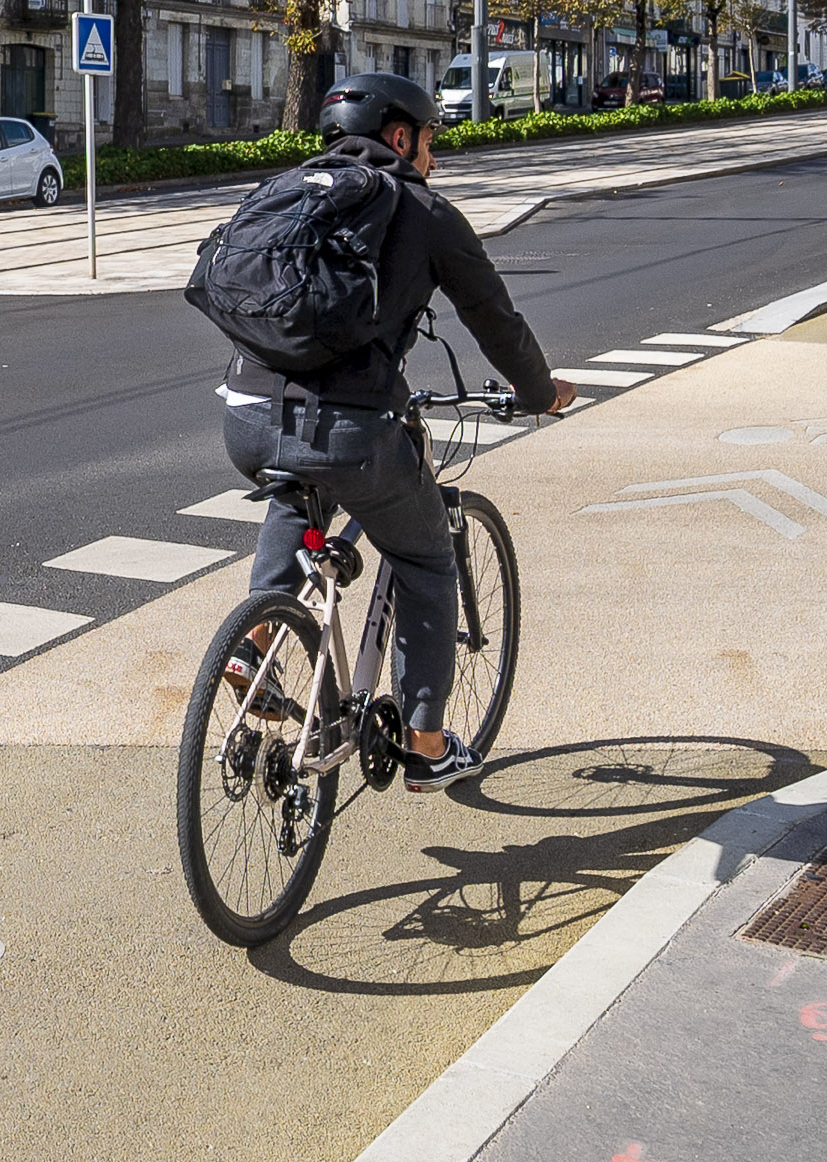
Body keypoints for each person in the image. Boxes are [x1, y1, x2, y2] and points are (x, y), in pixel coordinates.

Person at [213, 71, 568, 788]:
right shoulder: (424, 210)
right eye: (429, 141)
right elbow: (494, 319)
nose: (432, 157)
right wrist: (538, 391)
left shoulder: (286, 192)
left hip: (245, 415)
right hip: (349, 429)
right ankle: (427, 745)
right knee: (425, 559)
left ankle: (252, 642)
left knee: (294, 496)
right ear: (400, 136)